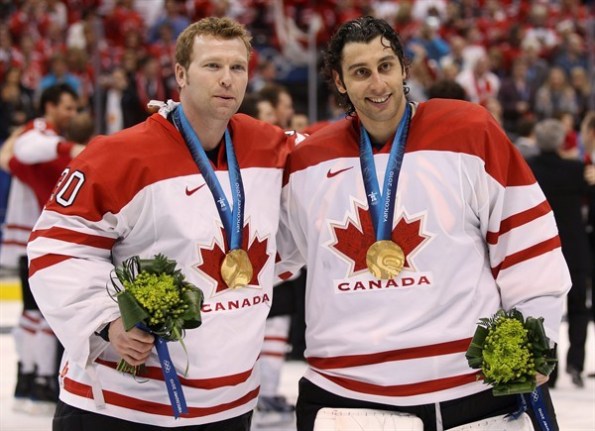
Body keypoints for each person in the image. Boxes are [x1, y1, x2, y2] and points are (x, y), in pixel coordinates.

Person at [275, 16, 570, 431]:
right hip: (346, 394)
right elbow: (264, 259)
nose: (377, 84)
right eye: (360, 72)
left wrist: (536, 340)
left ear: (403, 69)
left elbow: (527, 241)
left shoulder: (469, 131)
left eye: (385, 66)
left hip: (471, 390)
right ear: (339, 82)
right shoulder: (309, 160)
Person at [27, 17, 296, 430]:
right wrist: (107, 321)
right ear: (181, 74)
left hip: (229, 405)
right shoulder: (118, 156)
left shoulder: (270, 146)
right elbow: (56, 249)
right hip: (120, 406)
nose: (227, 79)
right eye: (212, 66)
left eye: (237, 68)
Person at [0, 83, 82, 415]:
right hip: (38, 242)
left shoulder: (43, 141)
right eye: (67, 107)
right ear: (49, 106)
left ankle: (31, 382)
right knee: (43, 316)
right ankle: (41, 382)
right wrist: (69, 147)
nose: (71, 113)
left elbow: (13, 160)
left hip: (31, 241)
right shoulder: (40, 134)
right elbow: (24, 152)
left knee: (34, 316)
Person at [526, 119, 594, 389]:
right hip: (574, 246)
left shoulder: (528, 168)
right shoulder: (576, 170)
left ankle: (547, 369)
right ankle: (575, 364)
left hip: (540, 247)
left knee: (542, 308)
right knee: (578, 307)